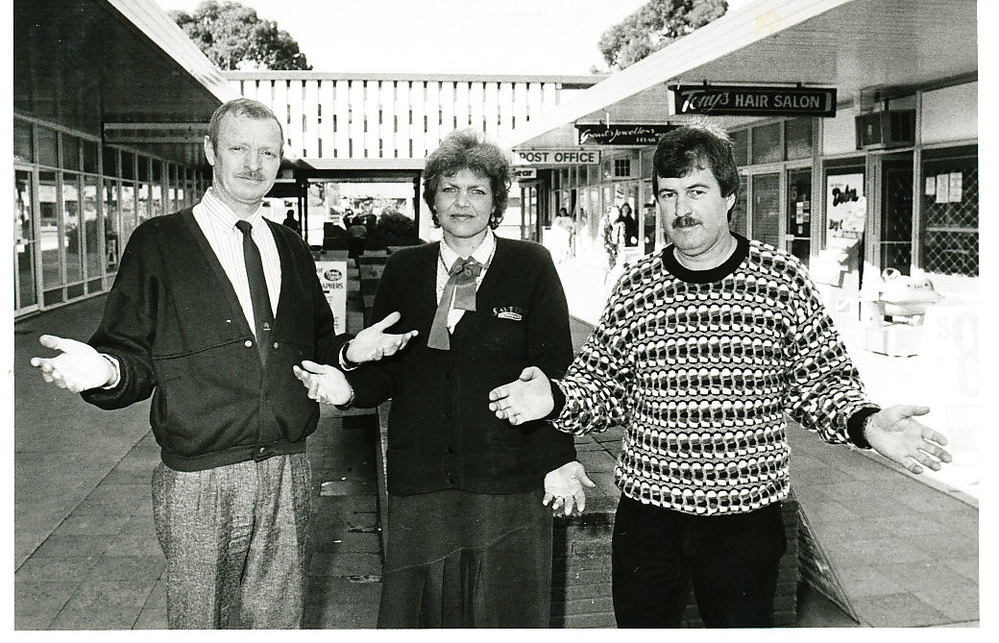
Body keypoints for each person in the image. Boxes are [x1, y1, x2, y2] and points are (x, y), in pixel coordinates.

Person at [487, 121, 952, 628]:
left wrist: (866, 423)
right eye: (668, 194)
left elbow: (822, 383)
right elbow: (603, 387)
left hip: (745, 522)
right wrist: (555, 399)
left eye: (697, 191)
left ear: (730, 196)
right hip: (649, 518)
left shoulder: (780, 281)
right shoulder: (638, 286)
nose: (681, 209)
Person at [29, 98, 415, 629]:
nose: (254, 165)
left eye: (268, 152)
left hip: (287, 472)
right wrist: (104, 371)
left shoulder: (291, 248)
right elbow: (128, 353)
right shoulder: (159, 244)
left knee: (277, 623)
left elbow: (315, 349)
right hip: (199, 481)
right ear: (210, 151)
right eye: (238, 148)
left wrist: (350, 352)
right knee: (199, 623)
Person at [294, 128, 592, 628]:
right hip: (423, 482)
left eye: (478, 190)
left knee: (506, 618)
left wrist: (560, 459)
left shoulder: (530, 265)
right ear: (432, 197)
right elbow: (389, 367)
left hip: (508, 481)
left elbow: (555, 373)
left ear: (497, 199)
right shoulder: (404, 269)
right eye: (450, 188)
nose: (463, 202)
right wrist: (347, 387)